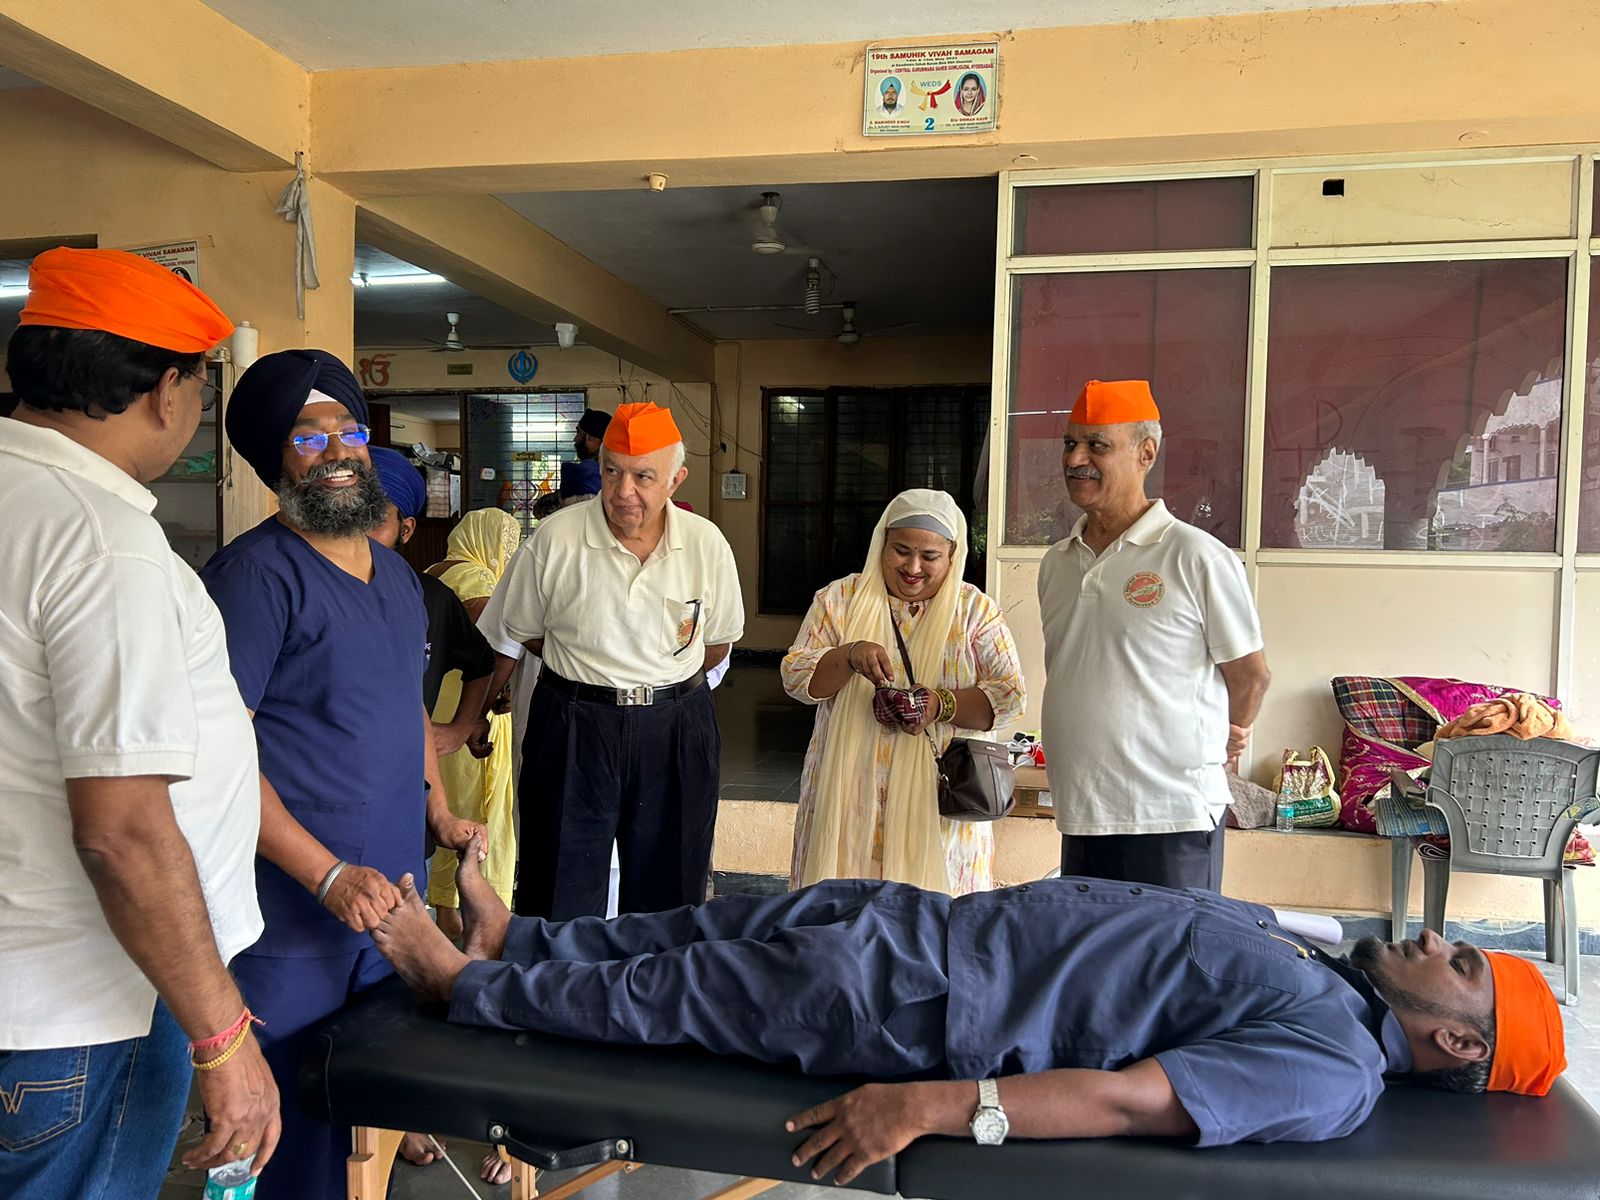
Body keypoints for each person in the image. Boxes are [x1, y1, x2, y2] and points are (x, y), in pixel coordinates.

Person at [373, 844, 1567, 1189]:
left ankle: (464, 989)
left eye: (1457, 963)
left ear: (1459, 1044)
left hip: (931, 1008)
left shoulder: (1329, 1072)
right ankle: (515, 940)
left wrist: (932, 1107)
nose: (1428, 938)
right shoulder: (1340, 982)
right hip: (944, 928)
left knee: (684, 995)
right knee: (700, 930)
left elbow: (1131, 1100)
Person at [0, 248, 278, 1199]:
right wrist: (223, 1037)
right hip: (86, 1009)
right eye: (199, 388)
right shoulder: (98, 538)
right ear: (167, 391)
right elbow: (121, 830)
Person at [200, 349, 484, 1199]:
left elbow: (404, 708)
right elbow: (218, 761)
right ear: (271, 458)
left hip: (384, 907)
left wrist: (438, 811)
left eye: (348, 428)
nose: (335, 449)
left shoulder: (396, 576)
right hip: (289, 925)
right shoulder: (253, 580)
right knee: (288, 1143)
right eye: (306, 432)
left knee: (365, 1132)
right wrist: (323, 874)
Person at [491, 401, 743, 919]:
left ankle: (653, 995)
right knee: (558, 879)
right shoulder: (555, 538)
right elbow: (526, 633)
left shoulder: (706, 545)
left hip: (676, 725)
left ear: (676, 479)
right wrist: (593, 665)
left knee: (672, 884)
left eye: (643, 477)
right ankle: (558, 994)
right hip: (573, 723)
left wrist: (654, 679)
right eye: (612, 472)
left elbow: (716, 643)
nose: (623, 492)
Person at [1039, 380, 1271, 891]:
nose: (1076, 458)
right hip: (1083, 812)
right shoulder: (1056, 563)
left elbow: (1250, 675)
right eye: (1069, 443)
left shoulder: (1195, 556)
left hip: (1171, 817)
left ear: (1146, 453)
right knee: (1094, 965)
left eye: (1097, 445)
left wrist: (1232, 733)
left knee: (1169, 963)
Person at [783, 490, 1025, 895]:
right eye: (901, 551)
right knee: (840, 911)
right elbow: (796, 679)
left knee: (931, 921)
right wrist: (849, 655)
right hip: (849, 798)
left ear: (952, 556)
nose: (913, 567)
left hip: (935, 810)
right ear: (881, 544)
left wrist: (941, 704)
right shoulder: (840, 600)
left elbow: (1010, 697)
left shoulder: (974, 612)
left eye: (929, 557)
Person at [423, 508, 523, 920]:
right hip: (473, 700)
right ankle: (487, 910)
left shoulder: (432, 570)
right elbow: (493, 648)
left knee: (447, 804)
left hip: (439, 700)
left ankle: (445, 907)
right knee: (487, 812)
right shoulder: (479, 580)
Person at [369, 447, 498, 739]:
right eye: (350, 517)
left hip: (408, 771)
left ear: (406, 530)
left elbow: (481, 663)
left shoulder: (433, 599)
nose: (358, 533)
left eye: (375, 520)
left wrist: (460, 729)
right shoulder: (306, 596)